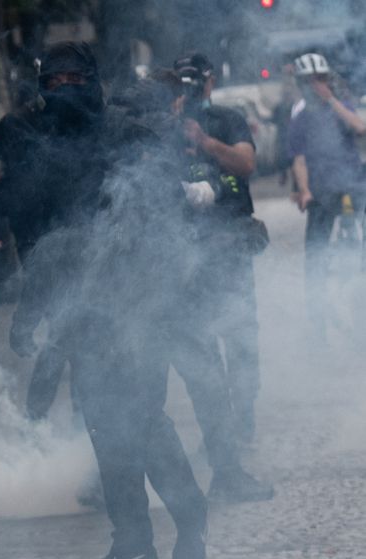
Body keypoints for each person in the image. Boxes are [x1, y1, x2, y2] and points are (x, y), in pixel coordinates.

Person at [6, 44, 209, 559]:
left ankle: (190, 516)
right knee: (104, 428)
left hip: (138, 305)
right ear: (43, 84)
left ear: (94, 80)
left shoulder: (130, 137)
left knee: (142, 422)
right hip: (82, 315)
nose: (67, 88)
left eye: (77, 77)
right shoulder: (38, 143)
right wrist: (33, 313)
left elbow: (170, 220)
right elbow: (43, 241)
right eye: (57, 79)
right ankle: (133, 543)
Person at [172, 52, 268, 454]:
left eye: (198, 82)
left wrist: (205, 142)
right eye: (184, 83)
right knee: (200, 339)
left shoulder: (227, 119)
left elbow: (246, 163)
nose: (193, 90)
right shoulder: (165, 125)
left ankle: (243, 413)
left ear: (211, 83)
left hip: (230, 242)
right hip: (186, 249)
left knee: (241, 333)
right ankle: (218, 425)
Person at [288, 52, 366, 346]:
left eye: (321, 79)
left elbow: (360, 128)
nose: (317, 86)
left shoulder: (340, 106)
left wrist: (331, 100)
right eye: (311, 81)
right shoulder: (299, 116)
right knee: (316, 258)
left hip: (354, 184)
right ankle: (318, 327)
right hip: (321, 192)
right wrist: (305, 190)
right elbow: (299, 160)